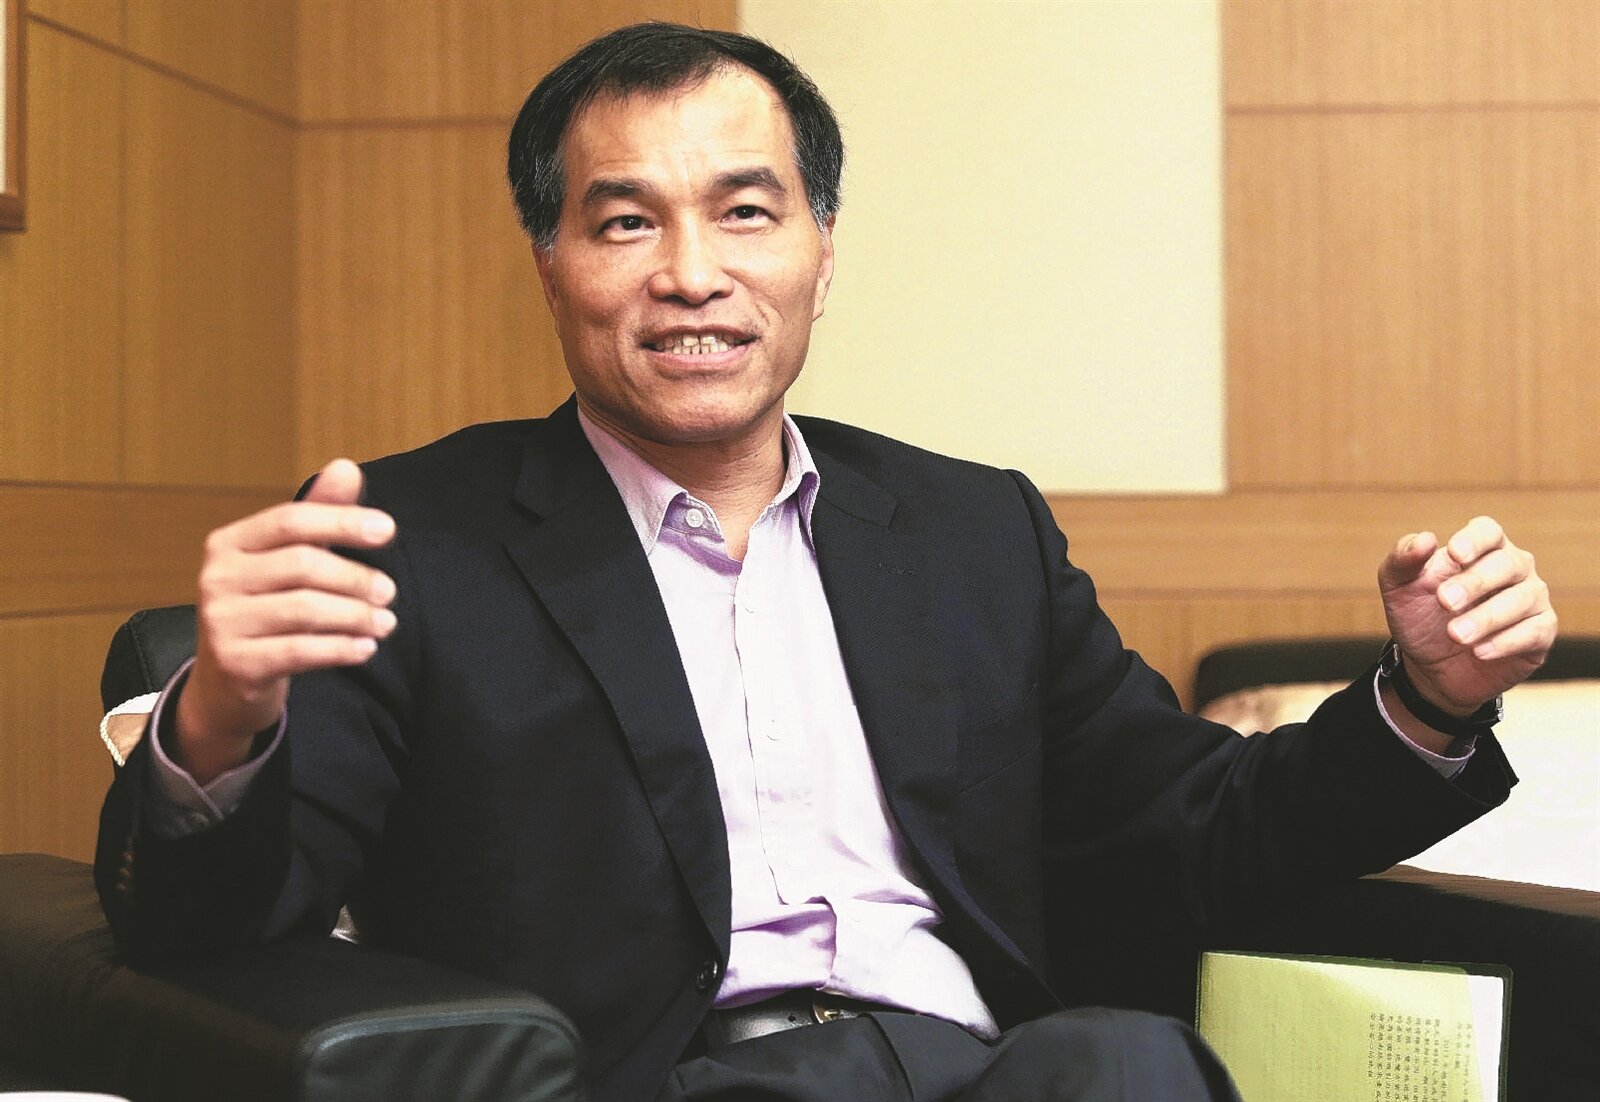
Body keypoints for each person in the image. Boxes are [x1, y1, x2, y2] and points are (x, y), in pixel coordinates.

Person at [95, 23, 1554, 1102]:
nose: (692, 273)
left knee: (1130, 1063)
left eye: (746, 210)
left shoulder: (973, 531)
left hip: (979, 1065)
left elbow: (1200, 827)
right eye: (625, 221)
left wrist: (1425, 699)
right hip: (668, 1080)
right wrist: (222, 719)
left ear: (822, 244)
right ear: (551, 261)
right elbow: (209, 930)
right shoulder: (416, 540)